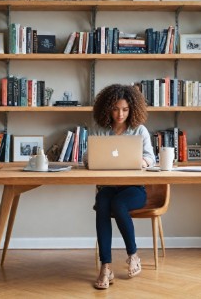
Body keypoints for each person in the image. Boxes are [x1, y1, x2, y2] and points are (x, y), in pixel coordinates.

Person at [85, 84, 155, 290]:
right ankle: (105, 266)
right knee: (103, 204)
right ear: (108, 108)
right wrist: (90, 159)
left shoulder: (139, 130)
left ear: (132, 109)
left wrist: (141, 162)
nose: (120, 114)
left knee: (118, 203)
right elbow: (88, 157)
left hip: (134, 189)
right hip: (107, 187)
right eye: (116, 109)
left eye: (125, 109)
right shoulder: (99, 129)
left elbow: (151, 157)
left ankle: (133, 255)